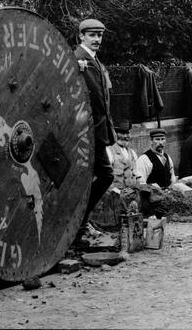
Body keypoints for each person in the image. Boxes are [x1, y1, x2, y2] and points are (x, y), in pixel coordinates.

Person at [74, 18, 115, 243]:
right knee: (106, 175)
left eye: (99, 35)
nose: (97, 39)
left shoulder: (96, 62)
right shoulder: (77, 58)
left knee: (100, 175)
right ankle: (80, 221)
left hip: (98, 130)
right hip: (83, 131)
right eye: (92, 35)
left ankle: (81, 221)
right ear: (81, 36)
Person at [107, 120, 141, 190]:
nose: (126, 136)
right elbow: (105, 178)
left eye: (127, 133)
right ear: (115, 134)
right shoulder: (109, 151)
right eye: (122, 133)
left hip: (131, 194)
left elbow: (137, 175)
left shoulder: (132, 153)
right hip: (115, 195)